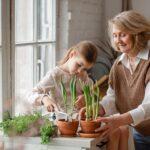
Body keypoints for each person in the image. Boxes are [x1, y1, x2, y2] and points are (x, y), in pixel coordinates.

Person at [79, 10, 150, 150]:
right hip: (140, 132)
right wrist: (98, 108)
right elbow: (112, 97)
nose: (118, 40)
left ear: (137, 34)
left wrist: (119, 120)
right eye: (115, 35)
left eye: (123, 35)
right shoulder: (118, 65)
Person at [27, 41, 97, 114]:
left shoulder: (84, 77)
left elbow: (91, 96)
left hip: (78, 119)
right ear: (72, 54)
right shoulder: (55, 75)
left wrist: (86, 98)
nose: (80, 71)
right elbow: (31, 95)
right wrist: (44, 99)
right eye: (79, 65)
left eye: (84, 69)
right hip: (59, 120)